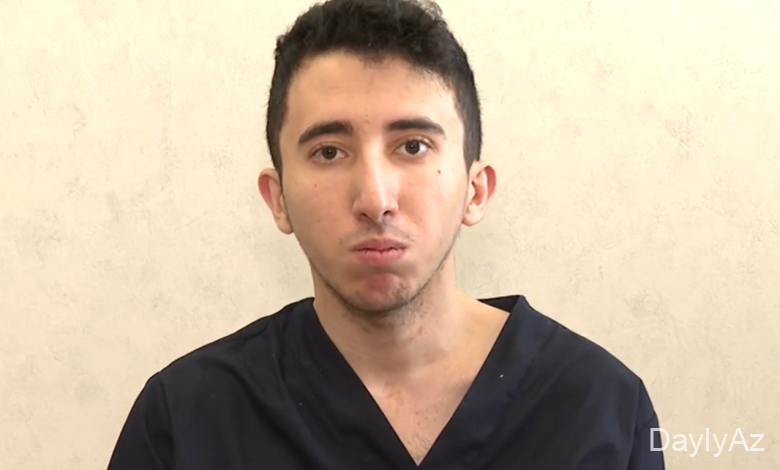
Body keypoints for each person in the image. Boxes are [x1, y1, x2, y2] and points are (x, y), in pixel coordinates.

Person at [106, 0, 665, 468]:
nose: (375, 199)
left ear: (475, 190)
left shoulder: (602, 411)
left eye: (413, 146)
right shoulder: (185, 422)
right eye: (329, 152)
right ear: (278, 199)